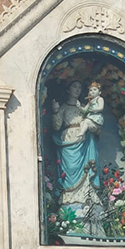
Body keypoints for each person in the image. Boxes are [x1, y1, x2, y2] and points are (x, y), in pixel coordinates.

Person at [51, 80, 104, 235]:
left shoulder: (83, 108)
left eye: (80, 87)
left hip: (85, 142)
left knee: (86, 171)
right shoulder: (64, 108)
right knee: (70, 172)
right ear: (68, 89)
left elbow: (94, 121)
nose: (77, 89)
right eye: (74, 86)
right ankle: (70, 209)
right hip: (69, 141)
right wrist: (55, 111)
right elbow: (56, 126)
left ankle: (87, 201)